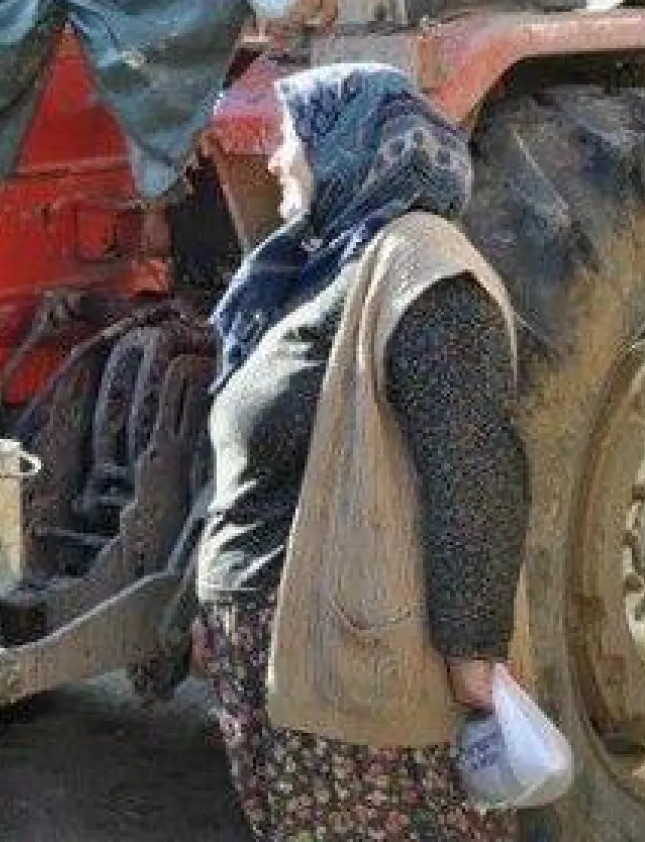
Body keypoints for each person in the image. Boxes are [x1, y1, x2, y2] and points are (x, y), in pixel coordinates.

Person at [195, 63, 529, 840]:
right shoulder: (330, 260)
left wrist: (474, 651)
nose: (274, 157)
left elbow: (473, 463)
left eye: (292, 138)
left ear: (349, 144)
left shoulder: (424, 269)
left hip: (357, 680)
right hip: (291, 670)